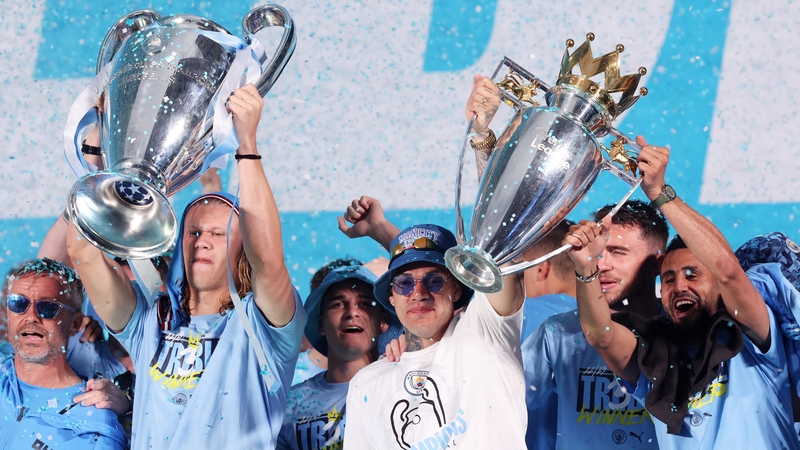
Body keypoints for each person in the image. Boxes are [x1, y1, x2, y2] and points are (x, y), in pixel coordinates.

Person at [67, 84, 305, 448]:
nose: (202, 240)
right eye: (193, 231)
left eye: (218, 233)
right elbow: (83, 250)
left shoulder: (264, 328)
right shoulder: (150, 323)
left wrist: (248, 144)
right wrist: (101, 155)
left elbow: (269, 260)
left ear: (244, 249)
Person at [567, 137, 799, 448]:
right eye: (669, 279)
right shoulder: (654, 357)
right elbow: (602, 335)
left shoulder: (754, 339)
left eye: (693, 275)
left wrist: (659, 194)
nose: (679, 287)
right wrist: (585, 267)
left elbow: (728, 271)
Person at [343, 223, 526, 448]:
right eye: (404, 283)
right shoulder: (366, 383)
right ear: (392, 297)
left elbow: (502, 248)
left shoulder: (486, 331)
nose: (418, 294)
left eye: (434, 281)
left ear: (457, 288)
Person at [522, 200, 666, 449]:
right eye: (598, 252)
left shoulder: (680, 333)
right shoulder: (558, 333)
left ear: (656, 264)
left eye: (618, 252)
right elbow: (499, 400)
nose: (601, 264)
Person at [0, 258, 127, 449]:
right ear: (7, 314)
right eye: (18, 303)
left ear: (75, 324)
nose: (31, 317)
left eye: (48, 308)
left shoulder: (92, 429)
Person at [279, 265, 403, 449]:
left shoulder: (404, 386)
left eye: (366, 304)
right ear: (321, 324)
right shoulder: (290, 405)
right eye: (338, 304)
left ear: (383, 322)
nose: (352, 312)